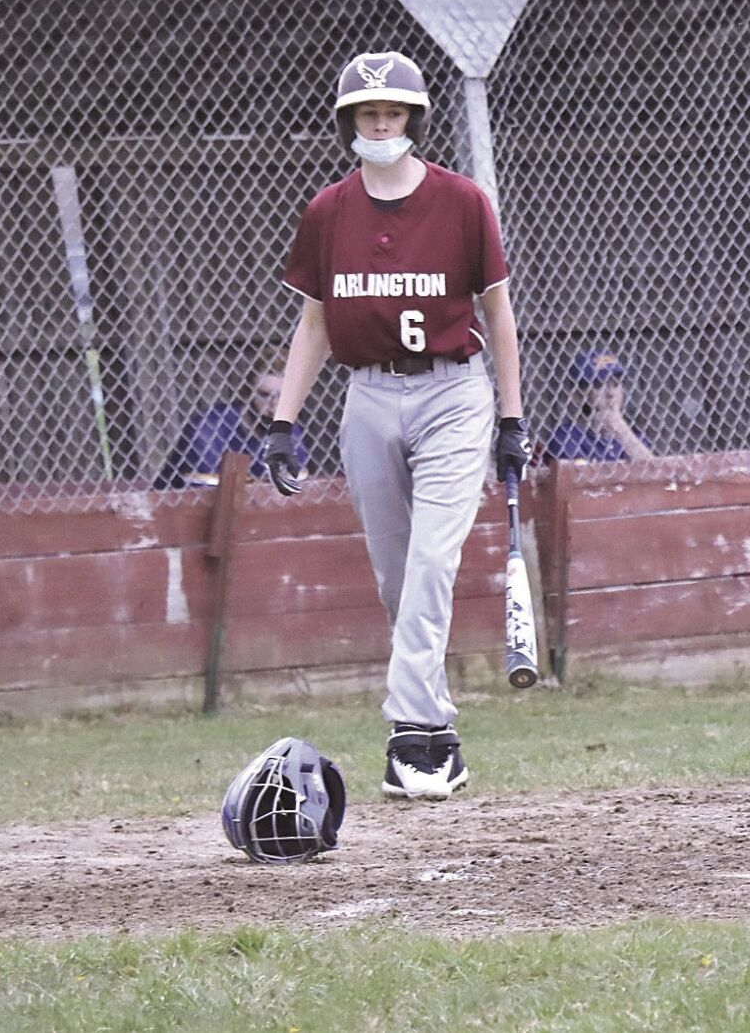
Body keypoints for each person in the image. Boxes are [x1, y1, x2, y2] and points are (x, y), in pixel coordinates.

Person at [263, 51, 531, 801]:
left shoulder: (463, 201)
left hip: (454, 394)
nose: (381, 123)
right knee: (394, 574)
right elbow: (314, 323)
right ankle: (439, 727)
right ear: (348, 120)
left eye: (394, 111)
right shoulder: (328, 211)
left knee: (431, 563)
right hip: (367, 395)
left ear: (414, 118)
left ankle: (411, 738)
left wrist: (510, 416)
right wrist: (283, 423)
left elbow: (499, 314)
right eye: (368, 112)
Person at [153, 348, 308, 489]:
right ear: (246, 393)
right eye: (264, 395)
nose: (274, 405)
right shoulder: (209, 430)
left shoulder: (291, 431)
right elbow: (205, 496)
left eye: (282, 396)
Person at [543, 349, 653, 462]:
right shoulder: (566, 437)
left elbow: (654, 472)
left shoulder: (634, 436)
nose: (611, 393)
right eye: (599, 385)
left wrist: (620, 429)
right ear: (578, 395)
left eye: (615, 384)